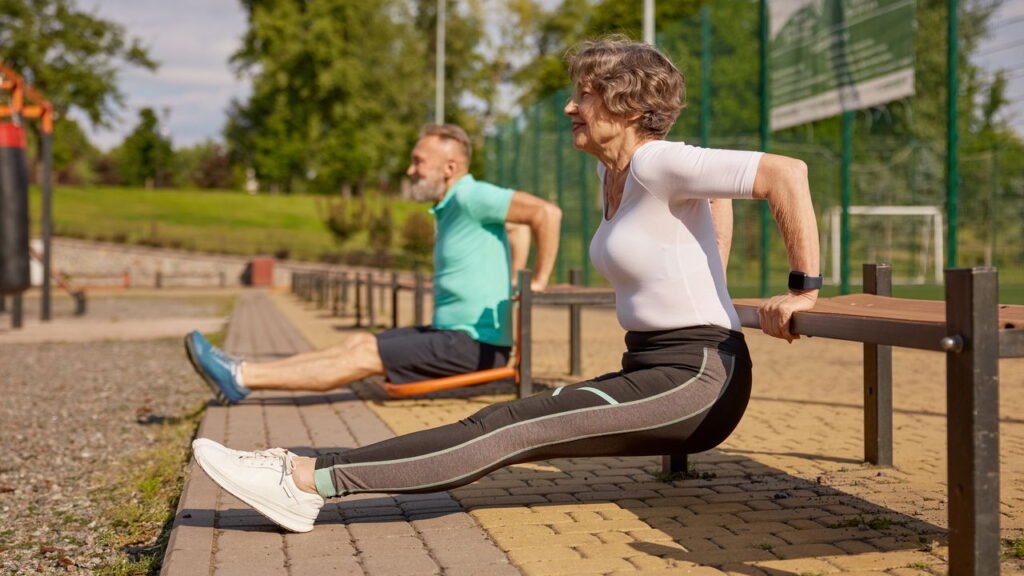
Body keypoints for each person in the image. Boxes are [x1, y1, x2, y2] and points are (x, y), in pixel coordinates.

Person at [191, 37, 822, 534]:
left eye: (586, 95)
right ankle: (308, 470)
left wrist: (803, 288)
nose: (572, 107)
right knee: (509, 421)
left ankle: (303, 480)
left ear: (628, 107)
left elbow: (786, 174)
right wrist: (711, 272)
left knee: (510, 426)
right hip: (657, 367)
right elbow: (719, 202)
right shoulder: (623, 176)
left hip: (695, 377)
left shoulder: (656, 159)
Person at [185, 123, 562, 404]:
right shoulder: (452, 207)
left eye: (418, 162)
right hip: (450, 334)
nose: (410, 170)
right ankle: (242, 369)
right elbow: (516, 227)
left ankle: (241, 376)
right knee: (359, 342)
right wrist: (514, 274)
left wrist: (536, 281)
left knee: (365, 357)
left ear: (449, 168)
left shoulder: (471, 196)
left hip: (471, 345)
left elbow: (545, 214)